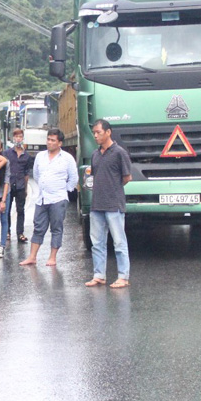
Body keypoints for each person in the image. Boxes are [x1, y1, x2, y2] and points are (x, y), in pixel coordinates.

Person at [85, 119, 133, 288]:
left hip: (114, 204)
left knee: (119, 242)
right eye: (94, 133)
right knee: (97, 243)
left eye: (98, 132)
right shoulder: (95, 154)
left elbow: (127, 178)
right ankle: (99, 275)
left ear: (108, 132)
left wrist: (113, 189)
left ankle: (123, 276)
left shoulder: (120, 152)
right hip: (97, 204)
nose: (95, 135)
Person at [20, 128, 78, 267]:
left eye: (53, 140)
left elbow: (73, 178)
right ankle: (32, 257)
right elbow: (37, 174)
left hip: (58, 198)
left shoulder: (67, 158)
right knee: (38, 226)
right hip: (42, 198)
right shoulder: (40, 156)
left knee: (56, 228)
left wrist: (64, 191)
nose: (49, 142)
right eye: (48, 139)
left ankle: (52, 257)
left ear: (59, 143)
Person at [3, 128, 33, 246]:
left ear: (23, 138)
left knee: (20, 210)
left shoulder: (27, 156)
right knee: (7, 210)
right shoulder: (7, 153)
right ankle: (7, 232)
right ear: (12, 138)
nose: (18, 139)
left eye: (20, 137)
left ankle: (20, 233)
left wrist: (25, 189)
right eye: (16, 137)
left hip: (20, 185)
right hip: (9, 185)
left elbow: (26, 174)